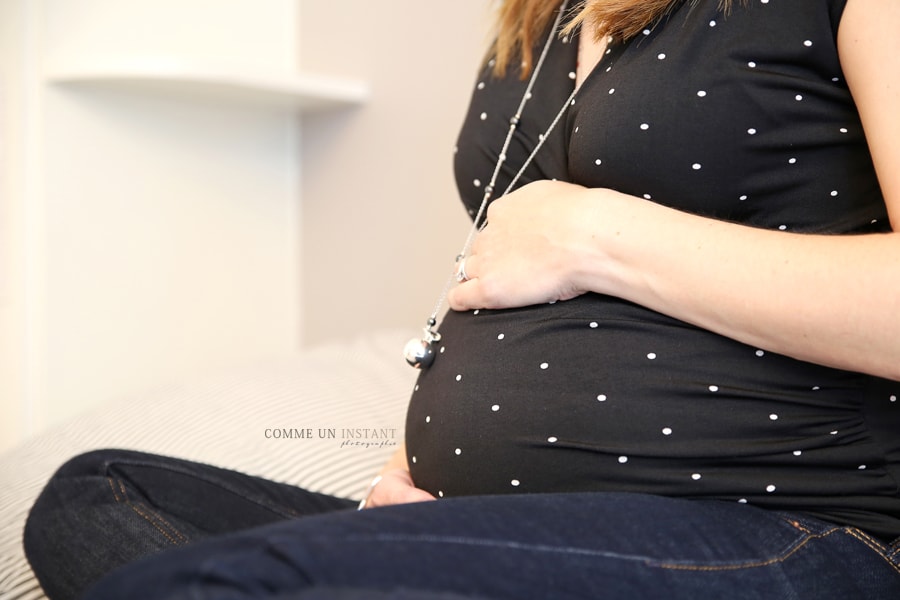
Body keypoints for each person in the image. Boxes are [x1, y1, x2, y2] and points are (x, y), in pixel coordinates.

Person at [23, 0, 900, 598]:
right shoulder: (539, 16)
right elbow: (519, 273)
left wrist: (598, 236)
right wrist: (429, 461)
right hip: (506, 518)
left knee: (204, 585)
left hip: (783, 523)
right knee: (94, 499)